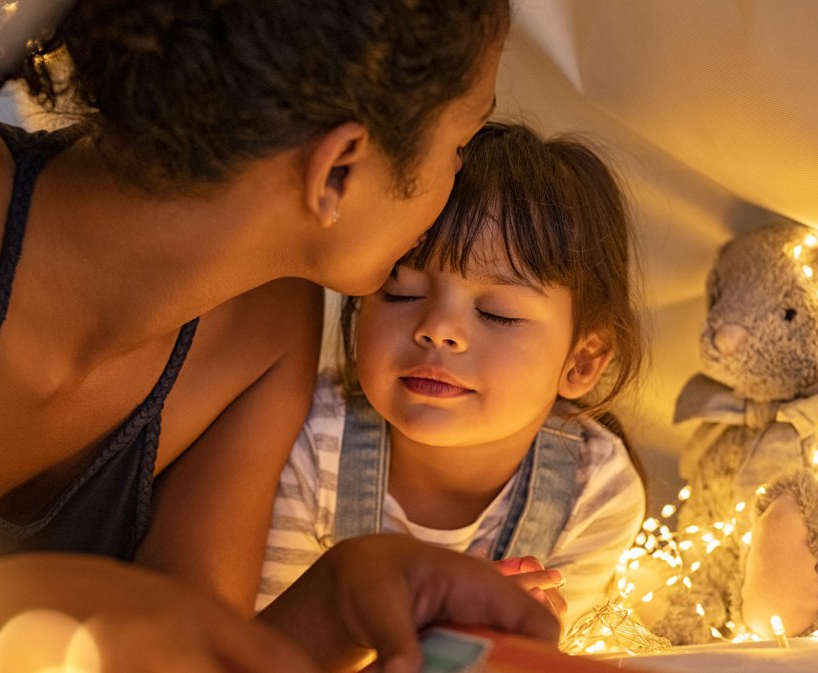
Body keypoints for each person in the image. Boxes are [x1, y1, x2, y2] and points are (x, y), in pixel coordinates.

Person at [0, 2, 565, 672]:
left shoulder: (268, 328)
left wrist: (342, 598)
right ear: (340, 168)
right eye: (461, 144)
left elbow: (178, 658)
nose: (456, 179)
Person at [259, 122, 648, 630]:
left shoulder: (595, 487)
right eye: (402, 293)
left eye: (497, 312)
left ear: (582, 361)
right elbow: (262, 650)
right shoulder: (308, 441)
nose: (439, 330)